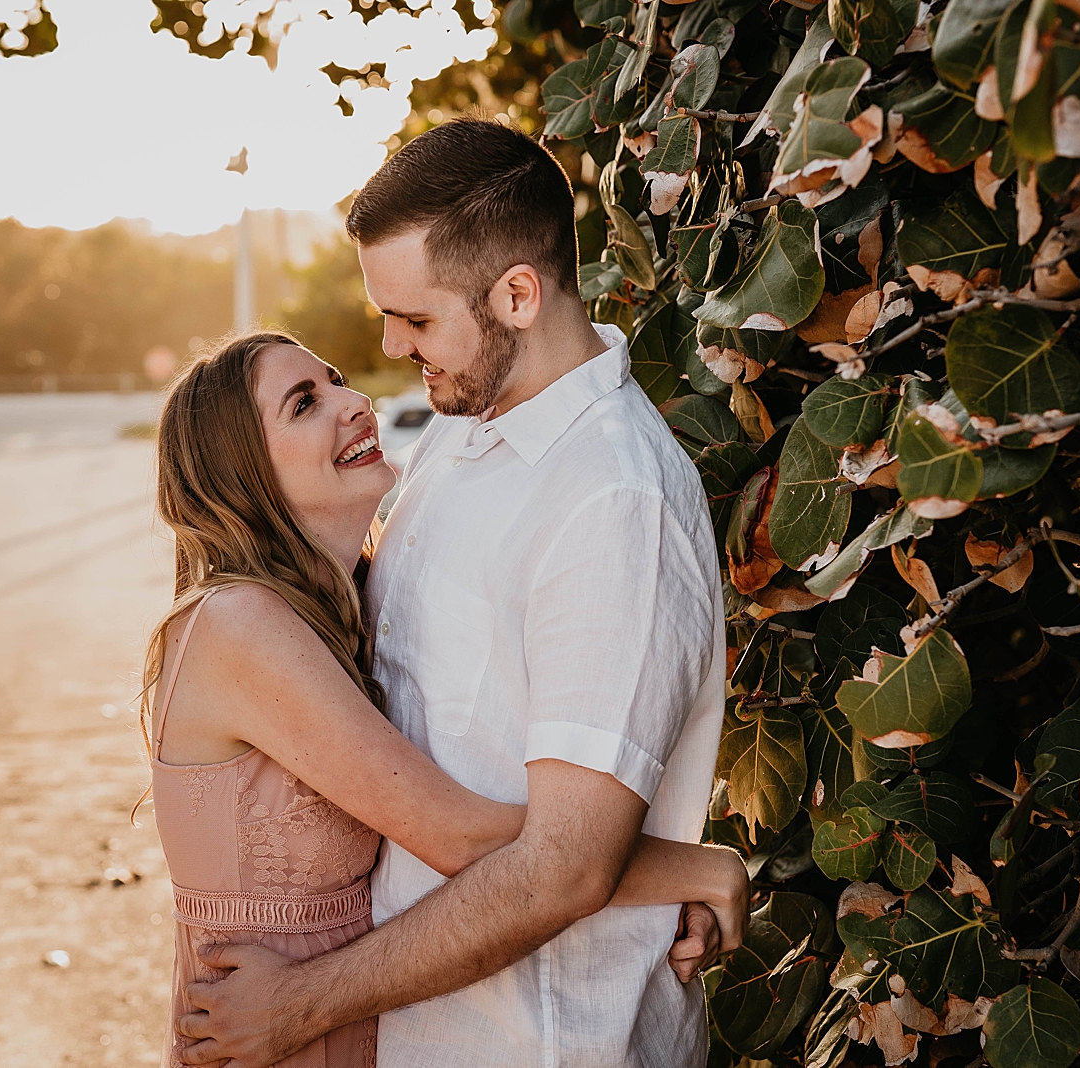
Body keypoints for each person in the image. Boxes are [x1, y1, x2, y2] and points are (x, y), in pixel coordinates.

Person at [173, 119, 729, 1068]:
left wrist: (302, 1002)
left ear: (517, 293)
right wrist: (696, 869)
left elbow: (563, 869)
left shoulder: (615, 500)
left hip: (544, 1042)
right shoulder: (458, 436)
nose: (391, 345)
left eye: (417, 319)